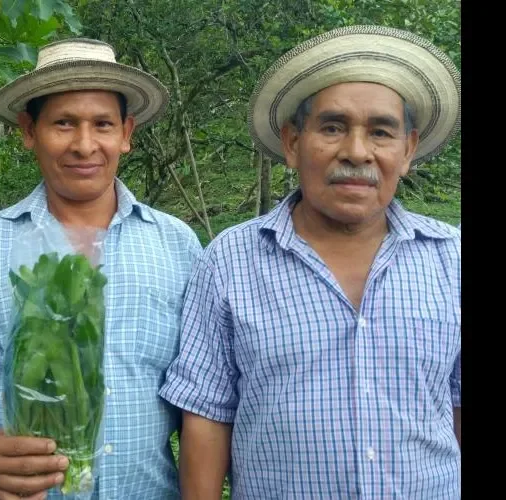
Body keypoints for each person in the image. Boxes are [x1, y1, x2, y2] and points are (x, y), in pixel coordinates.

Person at [160, 25, 462, 499]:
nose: (356, 152)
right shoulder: (230, 261)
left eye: (380, 132)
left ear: (407, 150)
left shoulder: (453, 258)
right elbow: (206, 416)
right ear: (293, 142)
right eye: (333, 127)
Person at [0, 38, 202, 499]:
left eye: (102, 124)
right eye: (63, 124)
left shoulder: (177, 244)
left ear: (127, 133)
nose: (84, 144)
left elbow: (202, 393)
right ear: (29, 130)